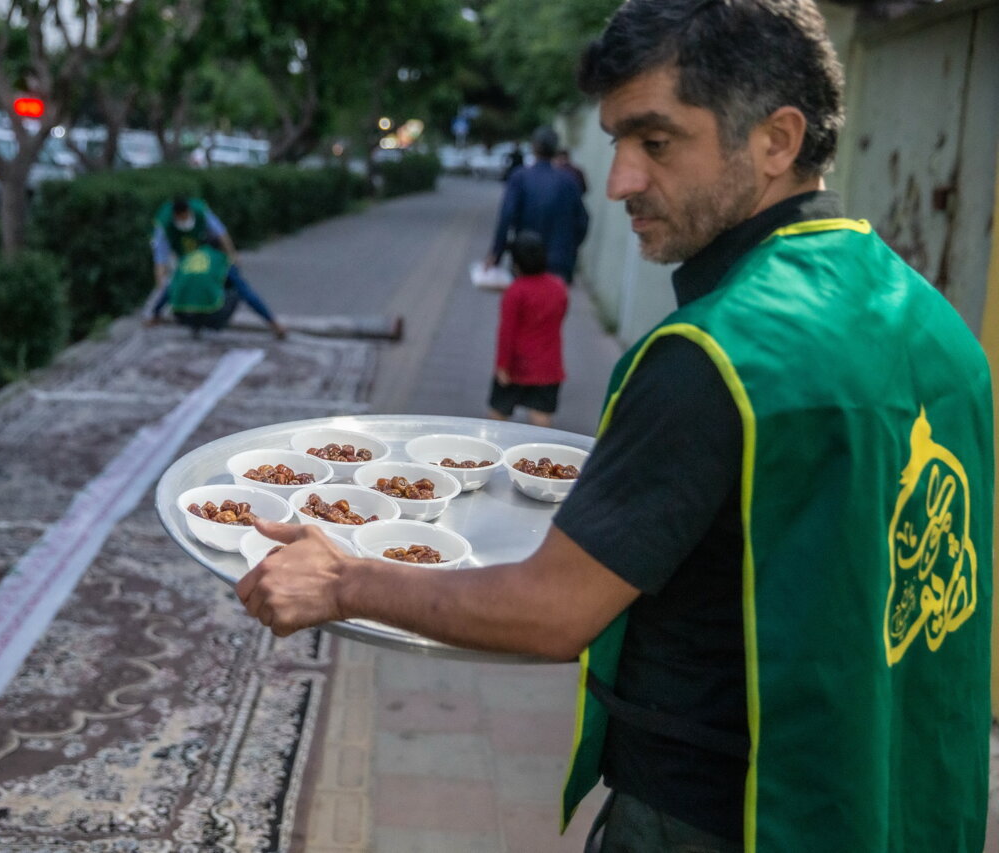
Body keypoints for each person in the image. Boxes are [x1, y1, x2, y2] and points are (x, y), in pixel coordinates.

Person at [234, 0, 994, 850]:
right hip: (890, 800)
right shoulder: (934, 325)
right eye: (617, 142)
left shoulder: (716, 354)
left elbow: (553, 611)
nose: (621, 179)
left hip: (722, 813)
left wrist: (344, 580)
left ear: (777, 141)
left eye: (657, 142)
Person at [145, 195, 288, 339]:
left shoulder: (183, 266)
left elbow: (165, 281)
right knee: (238, 287)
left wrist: (156, 312)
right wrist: (232, 258)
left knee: (178, 286)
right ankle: (273, 323)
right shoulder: (219, 262)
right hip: (215, 317)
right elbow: (160, 257)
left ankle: (193, 324)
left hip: (184, 312)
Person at [485, 126, 589, 284]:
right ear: (555, 148)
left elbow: (506, 216)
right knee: (553, 306)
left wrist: (496, 253)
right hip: (559, 261)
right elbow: (583, 220)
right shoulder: (569, 181)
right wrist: (570, 248)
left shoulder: (520, 177)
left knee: (523, 303)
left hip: (525, 260)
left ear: (534, 146)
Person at [488, 231, 569, 428]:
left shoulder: (515, 292)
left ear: (516, 264)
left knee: (498, 415)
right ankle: (541, 457)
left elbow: (506, 333)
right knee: (541, 417)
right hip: (549, 365)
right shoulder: (558, 286)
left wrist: (502, 365)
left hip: (517, 365)